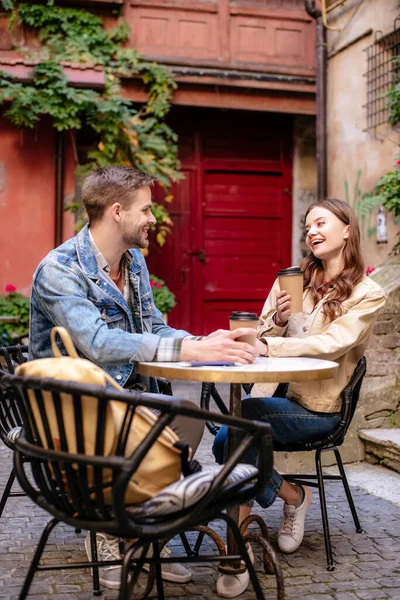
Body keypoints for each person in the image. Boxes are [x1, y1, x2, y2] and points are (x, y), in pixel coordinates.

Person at [29, 166, 257, 590]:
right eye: (147, 209)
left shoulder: (131, 262)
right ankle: (109, 531)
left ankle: (144, 527)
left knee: (185, 417)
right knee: (164, 422)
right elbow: (96, 342)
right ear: (117, 211)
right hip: (73, 414)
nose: (154, 219)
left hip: (127, 404)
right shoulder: (59, 270)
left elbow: (153, 328)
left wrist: (207, 341)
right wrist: (191, 351)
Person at [213, 198, 386, 598]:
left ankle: (237, 553)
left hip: (320, 410)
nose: (311, 232)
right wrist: (277, 320)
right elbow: (258, 333)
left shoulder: (368, 293)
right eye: (307, 226)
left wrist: (270, 347)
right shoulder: (292, 281)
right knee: (232, 437)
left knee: (239, 427)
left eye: (321, 223)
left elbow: (330, 344)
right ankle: (293, 495)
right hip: (274, 396)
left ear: (347, 230)